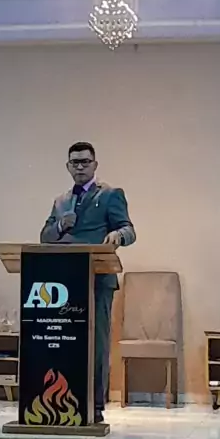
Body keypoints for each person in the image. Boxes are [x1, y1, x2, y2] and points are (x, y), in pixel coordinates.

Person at [41, 142, 136, 423]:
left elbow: (129, 230)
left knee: (96, 345)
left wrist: (118, 236)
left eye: (85, 162)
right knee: (64, 343)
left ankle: (94, 405)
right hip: (64, 283)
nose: (80, 167)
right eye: (75, 162)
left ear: (95, 165)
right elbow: (45, 237)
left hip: (98, 279)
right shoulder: (61, 201)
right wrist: (61, 225)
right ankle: (62, 403)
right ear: (68, 167)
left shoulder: (110, 194)